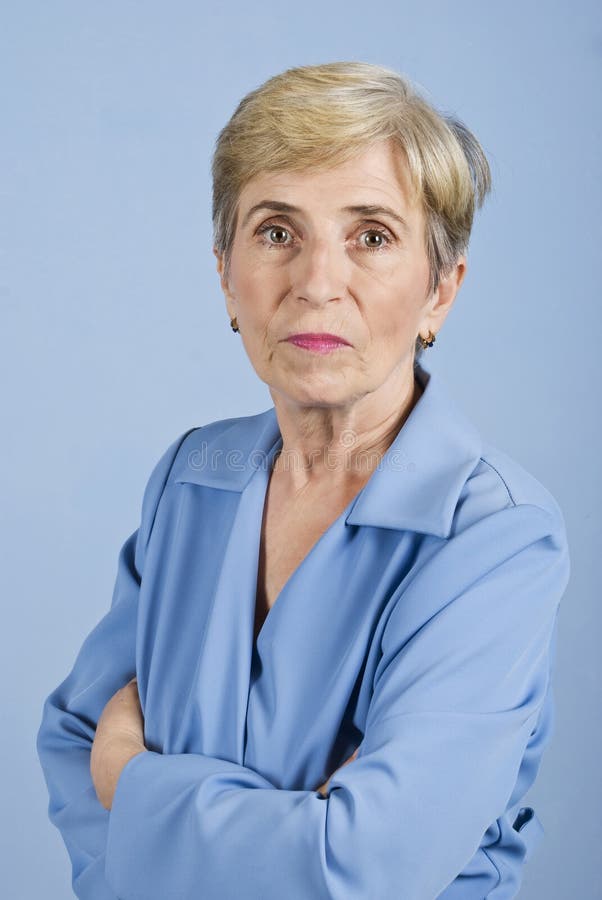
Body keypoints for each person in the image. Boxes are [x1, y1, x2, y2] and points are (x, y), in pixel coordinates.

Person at [36, 60, 571, 899]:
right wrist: (297, 823)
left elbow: (365, 864)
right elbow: (74, 745)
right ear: (226, 274)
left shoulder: (499, 536)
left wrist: (133, 782)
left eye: (372, 236)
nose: (318, 285)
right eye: (278, 232)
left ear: (441, 291)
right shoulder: (190, 479)